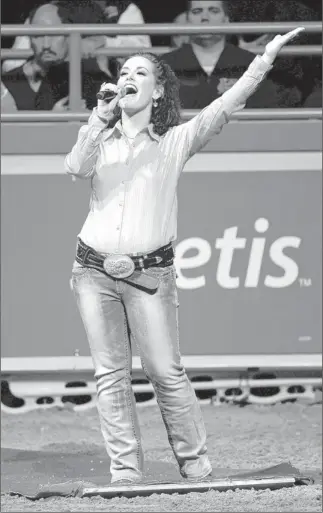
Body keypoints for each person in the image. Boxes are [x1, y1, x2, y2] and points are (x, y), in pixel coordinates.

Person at [65, 27, 304, 484]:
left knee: (165, 372)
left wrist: (264, 60)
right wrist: (99, 119)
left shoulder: (175, 141)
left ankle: (195, 467)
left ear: (156, 93)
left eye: (140, 73)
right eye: (124, 71)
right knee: (110, 375)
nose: (128, 77)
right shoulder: (98, 136)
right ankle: (126, 472)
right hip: (92, 271)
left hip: (151, 273)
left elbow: (225, 106)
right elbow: (76, 167)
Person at [162, 0, 282, 109]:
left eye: (214, 11)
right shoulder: (164, 64)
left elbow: (268, 106)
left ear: (226, 19)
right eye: (197, 11)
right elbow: (161, 107)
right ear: (187, 20)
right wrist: (215, 90)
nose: (205, 17)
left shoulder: (251, 62)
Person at [1, 2, 108, 111]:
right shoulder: (9, 83)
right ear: (29, 38)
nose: (46, 45)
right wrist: (53, 122)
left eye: (54, 34)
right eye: (38, 36)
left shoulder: (90, 79)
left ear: (68, 36)